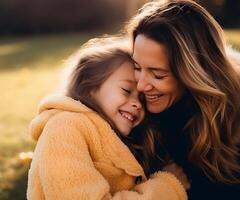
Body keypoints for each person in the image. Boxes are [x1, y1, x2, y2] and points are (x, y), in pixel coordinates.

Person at [127, 0, 240, 199]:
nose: (141, 85)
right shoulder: (128, 108)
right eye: (137, 67)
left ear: (194, 74)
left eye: (158, 75)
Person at [26, 37, 188, 200]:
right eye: (126, 90)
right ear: (89, 86)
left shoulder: (118, 137)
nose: (137, 104)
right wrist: (166, 188)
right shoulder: (64, 128)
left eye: (141, 98)